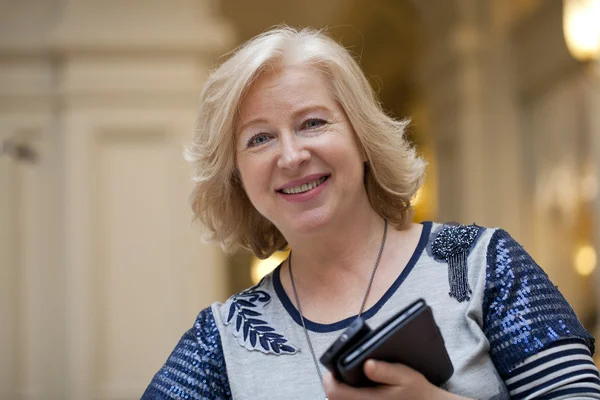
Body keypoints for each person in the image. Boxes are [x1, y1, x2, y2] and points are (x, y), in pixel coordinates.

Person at [142, 27, 599, 400]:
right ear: (237, 176)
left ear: (362, 139)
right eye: (259, 138)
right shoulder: (221, 341)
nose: (292, 154)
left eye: (313, 123)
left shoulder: (482, 264)